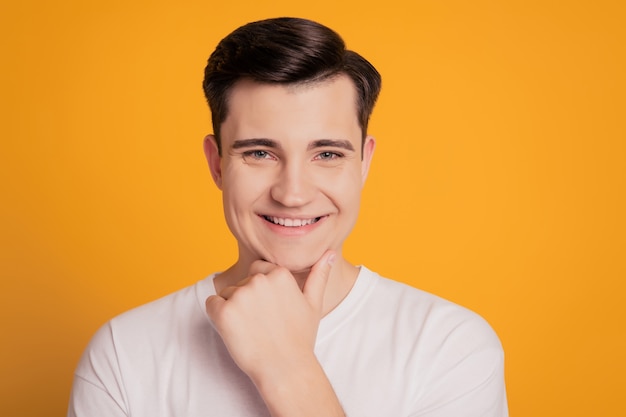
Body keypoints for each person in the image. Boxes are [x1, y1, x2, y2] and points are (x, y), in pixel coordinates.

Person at [68, 17, 508, 417]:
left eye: (327, 153)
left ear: (364, 164)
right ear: (217, 163)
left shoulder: (450, 347)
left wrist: (289, 370)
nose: (293, 193)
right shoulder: (124, 353)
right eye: (260, 152)